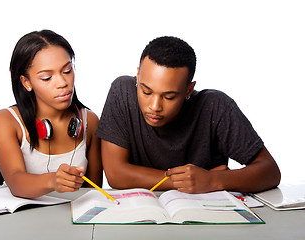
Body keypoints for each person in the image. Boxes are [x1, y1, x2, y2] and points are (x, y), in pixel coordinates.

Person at [96, 36, 280, 194]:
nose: (154, 106)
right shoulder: (123, 92)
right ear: (138, 76)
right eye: (146, 91)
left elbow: (270, 171)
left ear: (188, 89)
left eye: (169, 97)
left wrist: (212, 180)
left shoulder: (215, 107)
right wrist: (185, 182)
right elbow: (116, 174)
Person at [0, 30, 102, 198]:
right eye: (47, 77)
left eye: (67, 71)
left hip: (72, 217)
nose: (63, 83)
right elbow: (15, 181)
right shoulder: (5, 121)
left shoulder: (90, 121)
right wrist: (53, 181)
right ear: (26, 82)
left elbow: (93, 192)